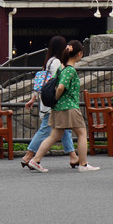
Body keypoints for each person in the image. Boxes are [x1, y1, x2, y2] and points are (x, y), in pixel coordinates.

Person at [29, 40, 99, 172]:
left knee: (54, 136)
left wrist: (55, 100)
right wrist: (56, 97)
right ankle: (83, 164)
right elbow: (61, 87)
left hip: (58, 108)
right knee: (82, 133)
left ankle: (35, 160)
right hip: (69, 107)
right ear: (79, 54)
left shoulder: (62, 68)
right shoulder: (70, 70)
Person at [20, 36, 79, 170]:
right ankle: (29, 156)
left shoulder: (49, 61)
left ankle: (73, 157)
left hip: (48, 102)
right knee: (46, 129)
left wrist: (34, 98)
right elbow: (57, 83)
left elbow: (42, 82)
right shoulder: (57, 62)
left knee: (65, 129)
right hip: (54, 102)